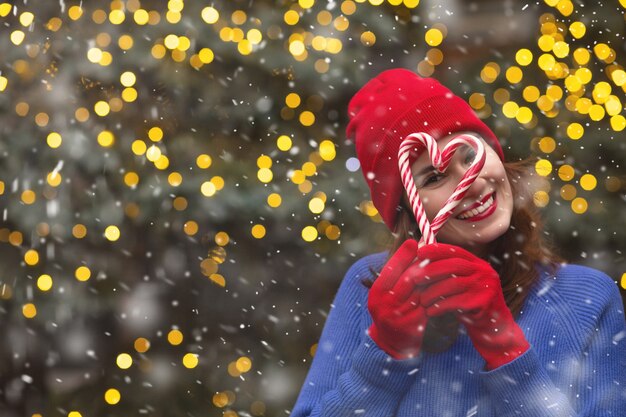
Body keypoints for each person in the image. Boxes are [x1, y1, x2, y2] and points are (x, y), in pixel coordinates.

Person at [291, 68, 626, 416]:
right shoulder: (370, 288)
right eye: (435, 177)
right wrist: (384, 353)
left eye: (469, 157)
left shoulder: (587, 298)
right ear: (406, 209)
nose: (472, 184)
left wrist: (505, 347)